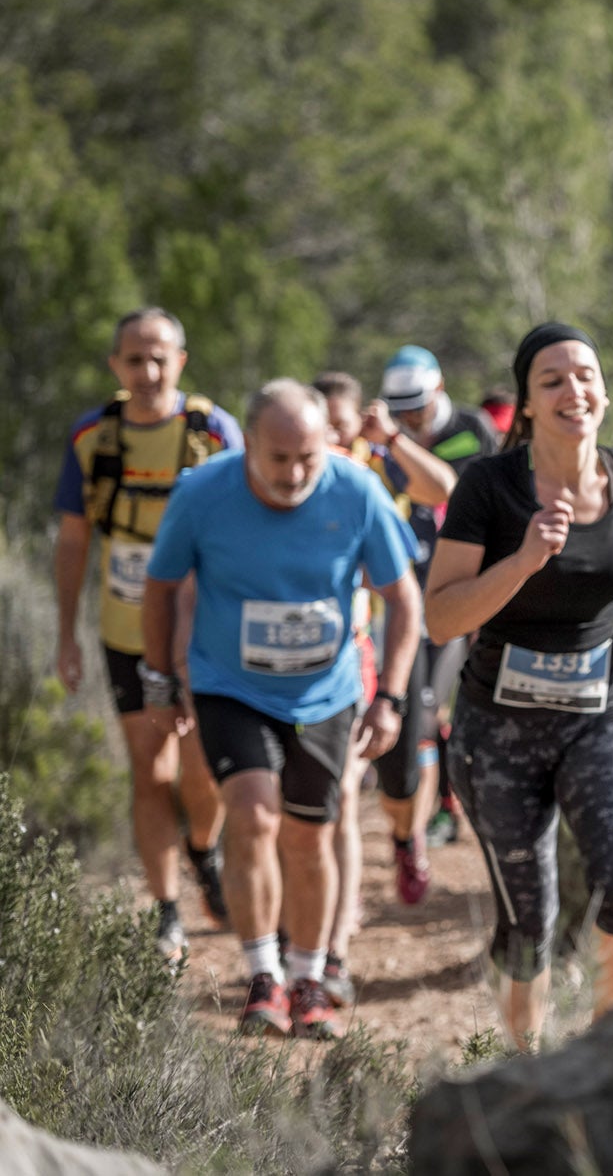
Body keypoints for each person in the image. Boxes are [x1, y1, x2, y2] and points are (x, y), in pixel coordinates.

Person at [425, 322, 613, 1048]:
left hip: (599, 712)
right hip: (499, 730)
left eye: (584, 375)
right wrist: (520, 562)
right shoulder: (488, 487)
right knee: (530, 915)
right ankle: (528, 1066)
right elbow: (439, 616)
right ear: (525, 403)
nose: (572, 389)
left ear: (604, 393)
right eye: (551, 379)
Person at [141, 379, 420, 1039]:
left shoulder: (355, 490)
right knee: (253, 814)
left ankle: (308, 976)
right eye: (278, 457)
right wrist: (159, 675)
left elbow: (404, 600)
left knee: (308, 833)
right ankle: (262, 973)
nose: (294, 473)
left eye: (308, 457)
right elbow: (160, 586)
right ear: (250, 446)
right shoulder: (204, 492)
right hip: (229, 684)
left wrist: (393, 697)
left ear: (327, 443)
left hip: (325, 690)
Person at [53, 306, 242, 963]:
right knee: (147, 768)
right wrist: (64, 636)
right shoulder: (92, 436)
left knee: (201, 771)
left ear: (181, 361)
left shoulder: (213, 432)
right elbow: (74, 539)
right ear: (116, 365)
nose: (148, 370)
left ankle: (203, 851)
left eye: (160, 356)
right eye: (135, 358)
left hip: (205, 634)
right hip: (125, 630)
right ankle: (167, 911)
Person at [310, 371, 457, 1001]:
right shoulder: (298, 469)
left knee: (400, 766)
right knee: (336, 791)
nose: (338, 440)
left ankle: (404, 836)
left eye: (345, 428)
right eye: (329, 430)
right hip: (330, 647)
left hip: (401, 622)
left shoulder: (378, 461)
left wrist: (389, 439)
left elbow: (444, 489)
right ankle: (327, 929)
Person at [379, 346, 502, 868]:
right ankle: (416, 819)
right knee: (408, 722)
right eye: (401, 409)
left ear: (440, 389)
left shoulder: (473, 430)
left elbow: (493, 508)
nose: (411, 419)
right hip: (399, 597)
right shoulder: (387, 443)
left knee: (428, 708)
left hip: (453, 597)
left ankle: (440, 815)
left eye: (419, 407)